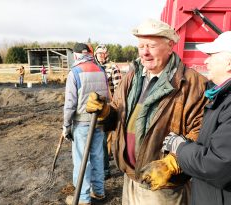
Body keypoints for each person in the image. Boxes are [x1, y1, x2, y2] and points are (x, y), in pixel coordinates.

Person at [150, 30, 231, 205]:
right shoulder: (230, 96)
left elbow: (216, 165)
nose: (206, 60)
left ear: (230, 63)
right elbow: (216, 148)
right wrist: (187, 147)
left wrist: (180, 149)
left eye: (211, 55)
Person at [86, 18, 209, 205]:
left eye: (151, 46)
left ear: (170, 46)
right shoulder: (132, 77)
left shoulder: (191, 83)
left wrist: (172, 164)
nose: (144, 52)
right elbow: (118, 114)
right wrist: (105, 113)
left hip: (163, 187)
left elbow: (201, 132)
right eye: (141, 45)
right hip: (131, 178)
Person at [62, 43, 110, 205]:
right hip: (99, 122)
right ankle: (99, 191)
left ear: (76, 55)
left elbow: (70, 104)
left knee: (82, 160)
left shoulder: (74, 72)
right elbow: (107, 97)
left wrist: (66, 126)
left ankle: (82, 197)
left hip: (82, 124)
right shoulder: (101, 70)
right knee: (98, 157)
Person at [94, 44, 122, 179]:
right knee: (103, 138)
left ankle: (105, 169)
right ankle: (106, 160)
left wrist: (115, 106)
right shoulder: (93, 67)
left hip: (108, 106)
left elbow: (118, 88)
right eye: (98, 52)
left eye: (103, 53)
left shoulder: (113, 68)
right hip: (95, 106)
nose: (100, 55)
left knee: (105, 137)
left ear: (107, 54)